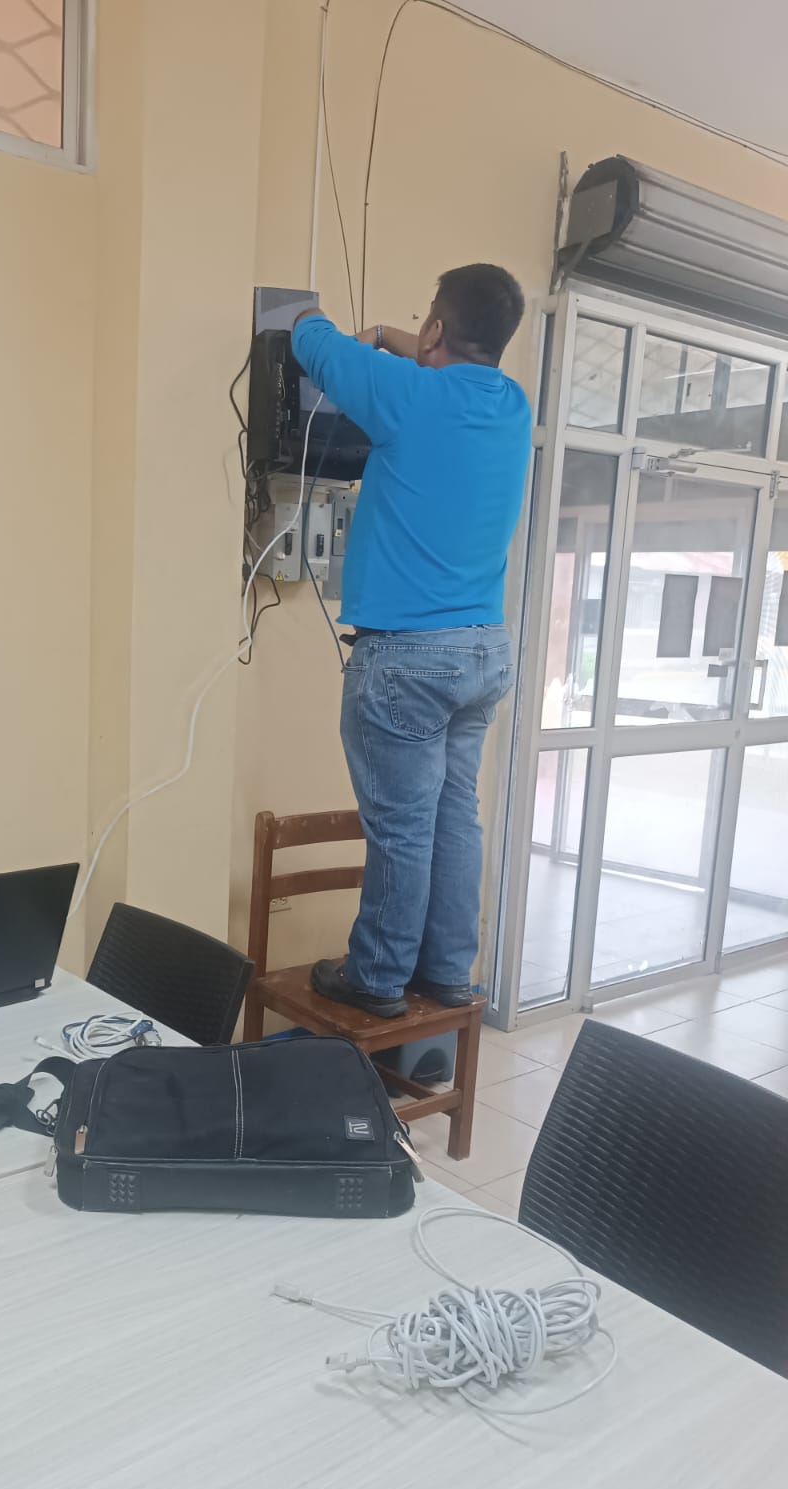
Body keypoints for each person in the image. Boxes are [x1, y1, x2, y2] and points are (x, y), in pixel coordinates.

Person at [291, 263, 531, 1020]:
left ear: (436, 331)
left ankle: (377, 977)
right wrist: (403, 338)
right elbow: (437, 357)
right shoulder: (513, 405)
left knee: (401, 827)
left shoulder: (407, 394)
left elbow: (310, 338)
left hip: (407, 659)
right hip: (484, 651)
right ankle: (448, 972)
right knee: (456, 815)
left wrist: (359, 333)